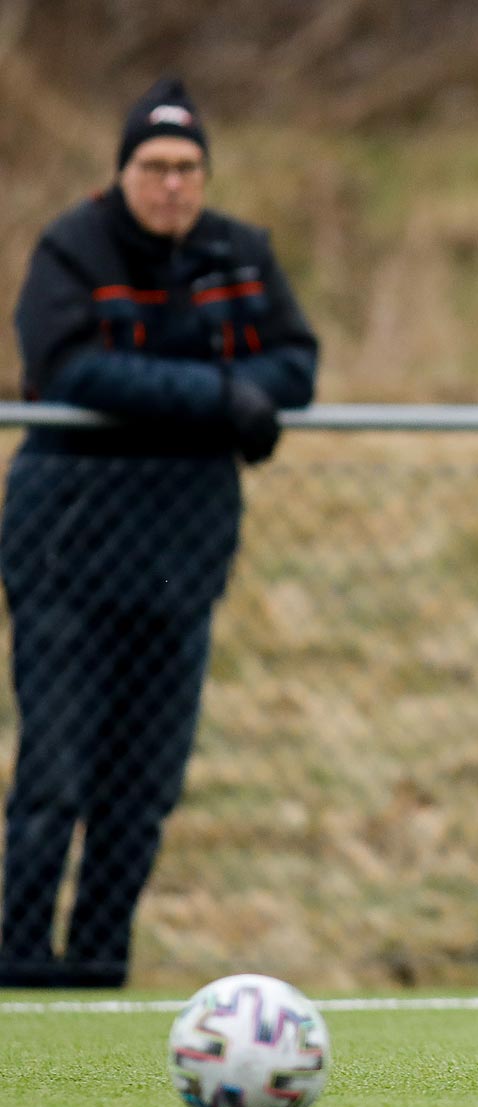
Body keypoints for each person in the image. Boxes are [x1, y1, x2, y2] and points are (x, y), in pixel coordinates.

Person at [0, 78, 317, 988]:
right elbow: (69, 369)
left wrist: (250, 391)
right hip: (68, 558)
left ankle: (101, 963)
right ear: (124, 171)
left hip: (182, 564)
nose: (172, 185)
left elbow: (296, 362)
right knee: (55, 780)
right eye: (155, 166)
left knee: (141, 793)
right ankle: (21, 962)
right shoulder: (73, 247)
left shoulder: (239, 255)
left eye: (188, 168)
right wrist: (221, 397)